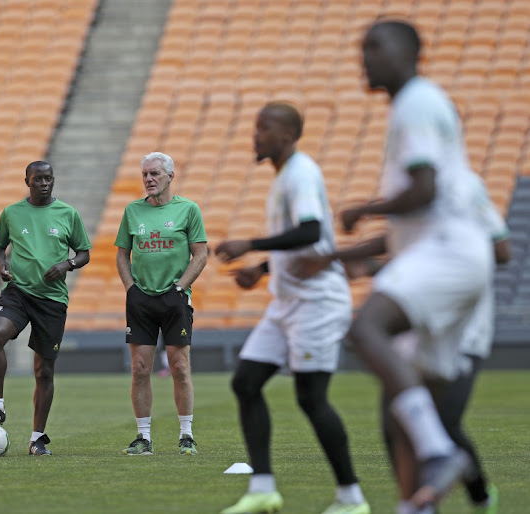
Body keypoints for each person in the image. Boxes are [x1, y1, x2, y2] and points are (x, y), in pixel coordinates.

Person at [294, 20, 493, 513]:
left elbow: (421, 191)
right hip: (451, 256)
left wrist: (366, 209)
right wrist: (336, 256)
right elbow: (417, 212)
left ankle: (440, 452)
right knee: (402, 408)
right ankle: (417, 503)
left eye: (375, 47)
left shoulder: (416, 103)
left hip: (448, 254)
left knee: (366, 330)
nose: (364, 57)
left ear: (409, 52)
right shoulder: (421, 106)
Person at [214, 102, 370, 514]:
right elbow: (302, 242)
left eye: (263, 128)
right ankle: (263, 489)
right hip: (288, 303)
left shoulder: (301, 172)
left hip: (317, 303)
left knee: (311, 398)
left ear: (287, 134)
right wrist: (262, 269)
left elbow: (311, 230)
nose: (256, 135)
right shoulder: (286, 176)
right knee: (246, 382)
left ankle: (351, 499)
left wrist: (250, 244)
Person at [340, 172, 507, 514]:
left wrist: (458, 263)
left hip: (463, 323)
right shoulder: (415, 192)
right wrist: (367, 263)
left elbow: (501, 250)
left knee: (441, 422)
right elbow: (413, 247)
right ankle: (420, 503)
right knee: (397, 423)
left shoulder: (462, 187)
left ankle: (476, 497)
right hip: (422, 322)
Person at [0, 161, 91, 457]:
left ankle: (37, 438)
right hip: (19, 292)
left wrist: (67, 264)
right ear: (27, 180)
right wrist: (1, 263)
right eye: (38, 179)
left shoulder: (68, 214)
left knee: (44, 371)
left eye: (48, 178)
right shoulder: (12, 213)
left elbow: (84, 252)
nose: (44, 183)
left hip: (52, 300)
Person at [115, 152, 208, 456]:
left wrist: (180, 288)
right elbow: (121, 255)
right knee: (140, 369)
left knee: (180, 367)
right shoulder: (132, 211)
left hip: (174, 298)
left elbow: (201, 254)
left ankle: (186, 434)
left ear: (170, 176)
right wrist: (131, 289)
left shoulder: (188, 209)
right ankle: (143, 438)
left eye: (155, 174)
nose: (149, 179)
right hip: (141, 299)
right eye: (145, 174)